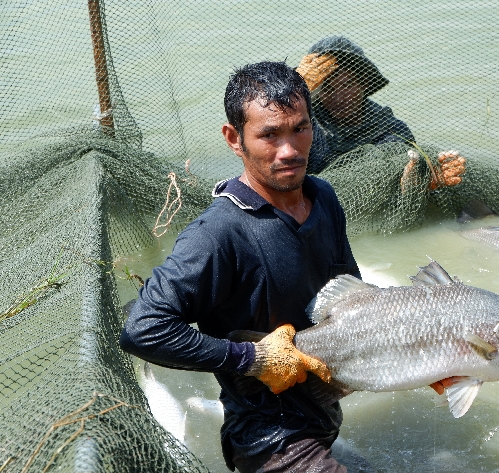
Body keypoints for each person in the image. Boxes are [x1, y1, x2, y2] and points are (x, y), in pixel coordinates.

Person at [120, 61, 362, 472]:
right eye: (269, 134)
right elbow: (142, 328)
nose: (289, 150)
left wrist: (420, 356)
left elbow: (353, 298)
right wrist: (251, 359)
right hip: (268, 439)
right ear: (235, 139)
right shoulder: (218, 233)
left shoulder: (323, 197)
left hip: (322, 418)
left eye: (300, 128)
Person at [296, 35, 465, 191]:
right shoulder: (302, 121)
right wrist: (296, 88)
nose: (339, 98)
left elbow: (401, 166)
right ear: (315, 90)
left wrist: (421, 179)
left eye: (347, 85)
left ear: (365, 83)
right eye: (327, 88)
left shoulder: (390, 129)